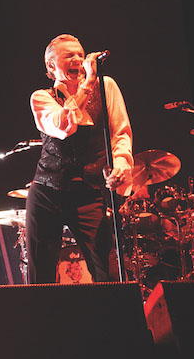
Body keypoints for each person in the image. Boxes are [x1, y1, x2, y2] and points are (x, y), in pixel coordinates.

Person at [25, 34, 132, 284]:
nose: (78, 60)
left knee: (106, 269)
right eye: (69, 56)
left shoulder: (107, 87)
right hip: (47, 193)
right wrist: (87, 84)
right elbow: (64, 127)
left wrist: (121, 166)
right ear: (52, 66)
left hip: (87, 192)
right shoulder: (42, 97)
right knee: (41, 275)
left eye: (80, 55)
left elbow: (121, 133)